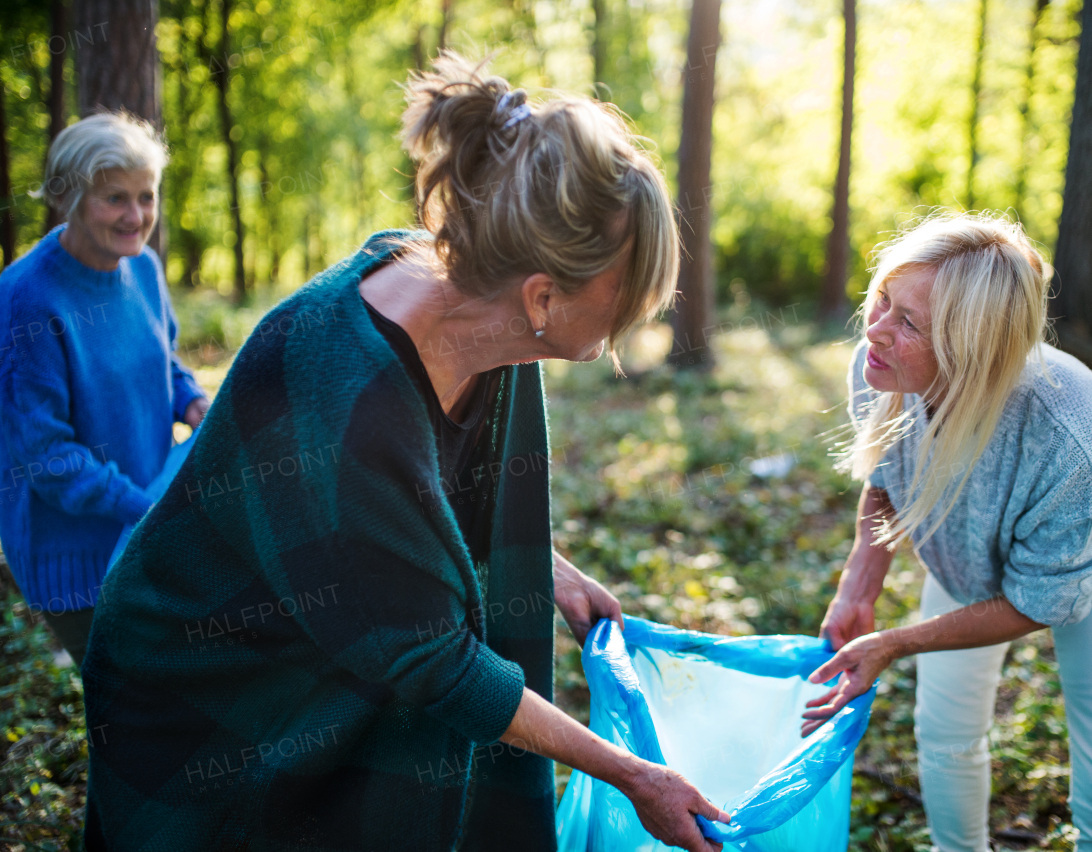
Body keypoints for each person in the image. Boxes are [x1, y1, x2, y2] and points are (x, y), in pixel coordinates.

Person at [81, 58, 728, 852]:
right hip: (210, 684)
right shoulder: (345, 391)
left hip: (329, 635)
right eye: (624, 295)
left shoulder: (482, 318)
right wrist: (632, 774)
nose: (630, 319)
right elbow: (434, 664)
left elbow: (430, 504)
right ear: (542, 297)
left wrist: (544, 568)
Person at [802, 213, 1092, 852]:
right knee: (944, 736)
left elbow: (1040, 602)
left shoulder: (1065, 432)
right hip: (965, 561)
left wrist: (895, 643)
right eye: (883, 299)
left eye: (909, 321)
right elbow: (889, 476)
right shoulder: (879, 365)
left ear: (973, 348)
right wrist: (859, 582)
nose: (876, 330)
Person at [0, 112, 208, 666]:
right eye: (116, 198)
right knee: (124, 707)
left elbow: (162, 363)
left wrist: (193, 402)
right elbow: (47, 457)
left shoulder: (143, 269)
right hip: (75, 553)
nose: (136, 216)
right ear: (69, 197)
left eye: (146, 196)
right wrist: (147, 512)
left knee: (168, 692)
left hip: (143, 524)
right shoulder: (27, 298)